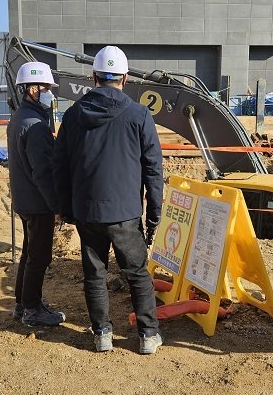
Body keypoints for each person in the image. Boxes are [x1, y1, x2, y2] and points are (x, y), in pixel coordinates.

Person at [54, 46, 164, 354]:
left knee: (95, 274)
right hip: (126, 212)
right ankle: (147, 335)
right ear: (125, 78)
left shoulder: (74, 115)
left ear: (94, 77)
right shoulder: (139, 114)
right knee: (137, 273)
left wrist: (65, 210)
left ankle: (102, 334)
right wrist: (154, 214)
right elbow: (154, 169)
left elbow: (59, 165)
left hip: (87, 211)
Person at [8, 61, 66, 327]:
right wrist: (55, 205)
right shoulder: (36, 126)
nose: (48, 92)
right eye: (44, 87)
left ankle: (23, 304)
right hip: (37, 201)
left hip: (25, 199)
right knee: (39, 256)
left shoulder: (20, 118)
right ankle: (32, 309)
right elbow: (42, 172)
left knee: (29, 252)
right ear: (31, 89)